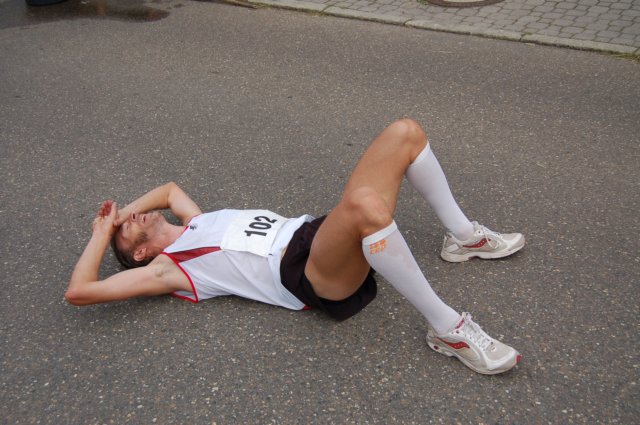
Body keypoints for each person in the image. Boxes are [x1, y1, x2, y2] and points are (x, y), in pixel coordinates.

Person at [66, 119, 525, 375]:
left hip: (316, 234)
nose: (132, 218)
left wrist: (121, 215)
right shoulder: (168, 270)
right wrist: (102, 234)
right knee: (364, 206)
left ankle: (463, 238)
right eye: (127, 230)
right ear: (140, 254)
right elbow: (80, 292)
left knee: (405, 133)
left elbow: (168, 190)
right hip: (308, 273)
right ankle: (447, 327)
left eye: (129, 216)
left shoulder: (196, 221)